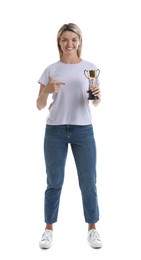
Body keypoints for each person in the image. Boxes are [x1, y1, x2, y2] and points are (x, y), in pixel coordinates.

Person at [36, 23, 102, 249]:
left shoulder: (90, 68)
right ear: (59, 42)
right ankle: (48, 229)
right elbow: (39, 105)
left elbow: (96, 101)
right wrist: (47, 90)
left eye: (74, 39)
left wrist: (96, 95)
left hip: (83, 130)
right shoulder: (51, 69)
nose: (69, 44)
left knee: (88, 182)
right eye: (65, 40)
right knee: (54, 182)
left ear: (80, 41)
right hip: (55, 131)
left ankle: (92, 229)